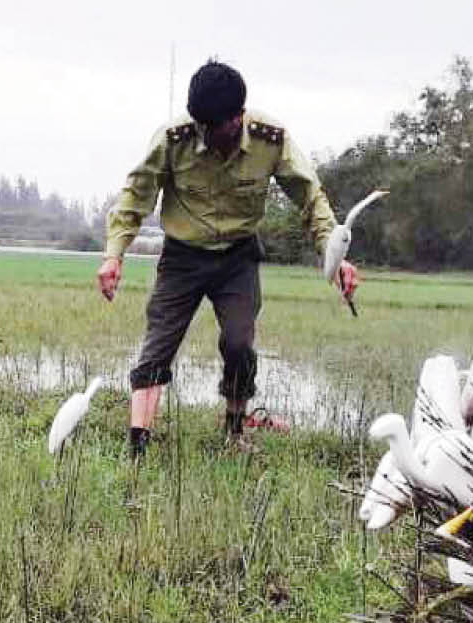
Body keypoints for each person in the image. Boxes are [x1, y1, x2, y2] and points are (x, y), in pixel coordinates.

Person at [97, 59, 361, 458]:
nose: (207, 136)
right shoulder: (173, 139)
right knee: (157, 347)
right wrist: (113, 255)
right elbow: (135, 196)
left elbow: (311, 199)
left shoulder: (271, 139)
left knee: (239, 344)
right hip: (182, 258)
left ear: (238, 117)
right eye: (201, 126)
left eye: (215, 127)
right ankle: (137, 447)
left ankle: (236, 430)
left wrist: (334, 254)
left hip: (237, 258)